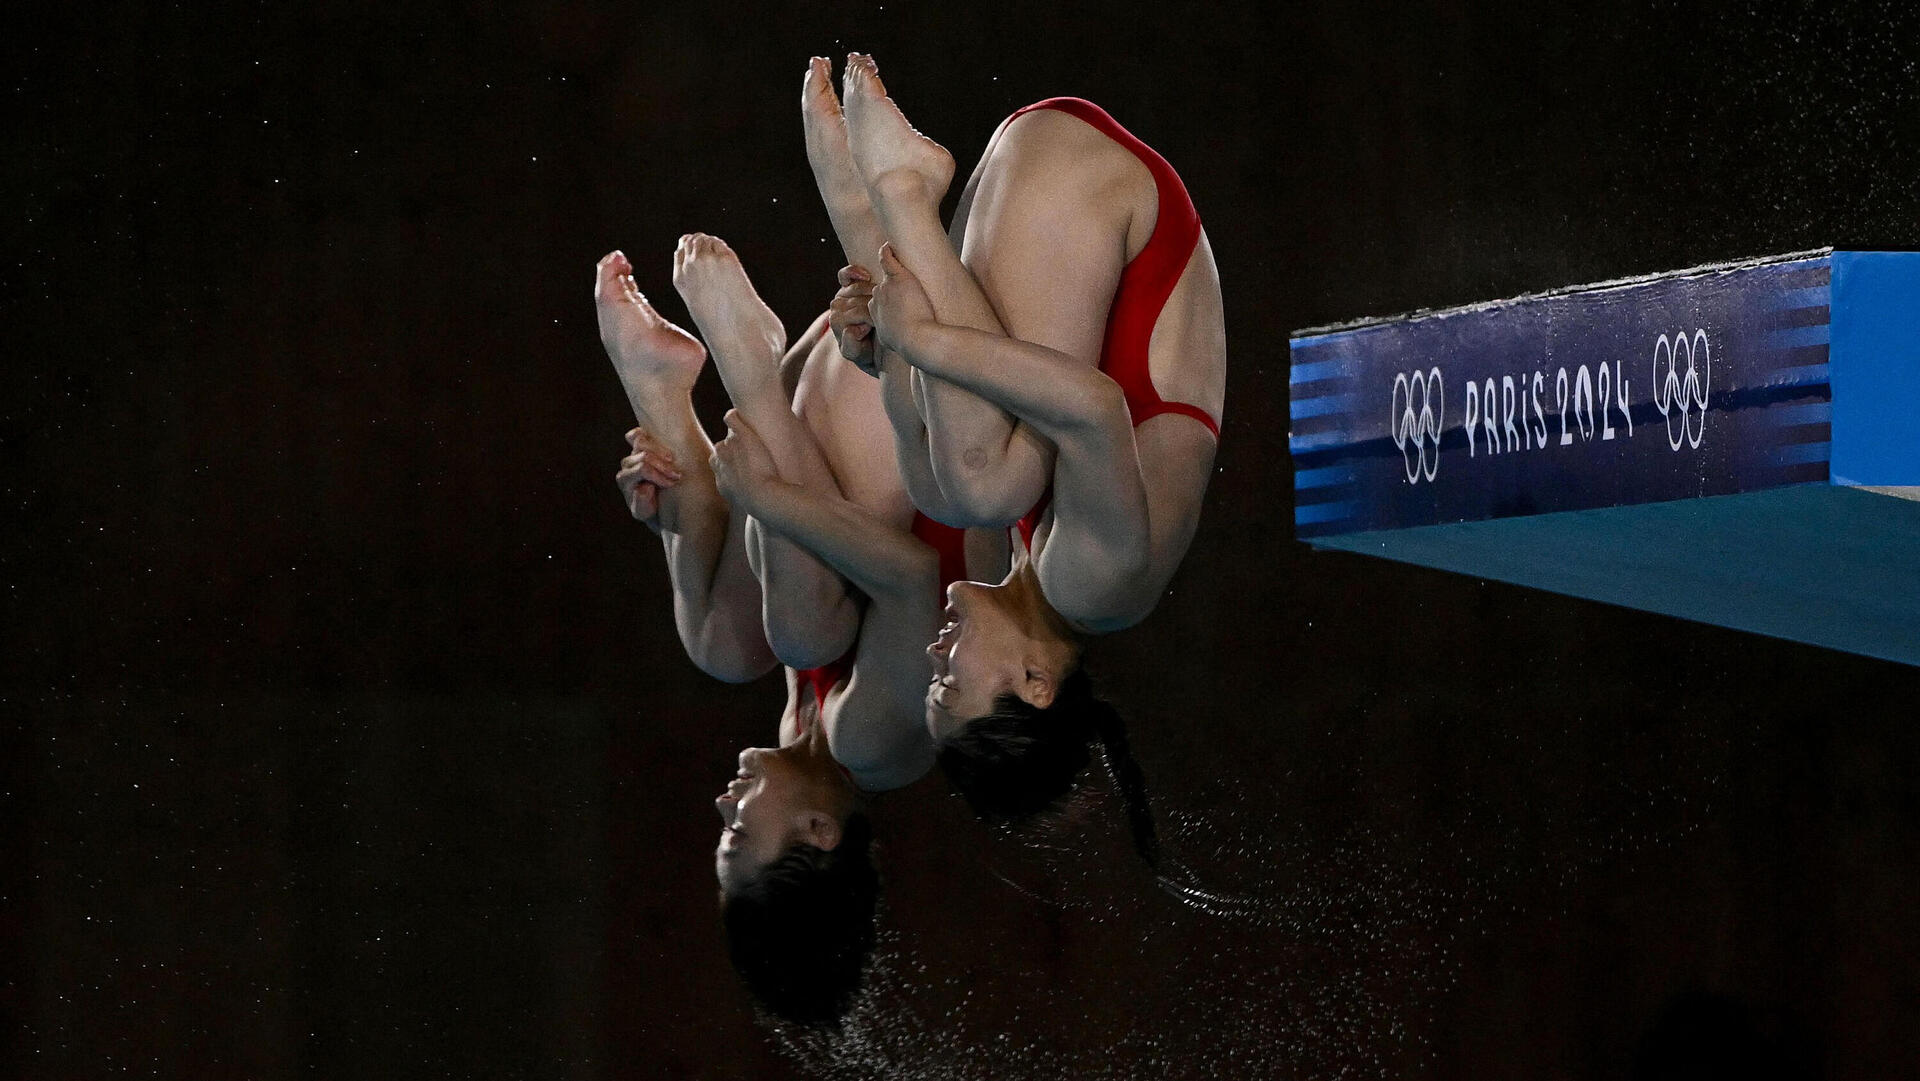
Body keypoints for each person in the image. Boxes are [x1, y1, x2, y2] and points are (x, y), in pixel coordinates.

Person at [804, 55, 1227, 861]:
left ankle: (882, 240)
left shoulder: (1026, 563)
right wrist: (923, 342)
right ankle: (895, 204)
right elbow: (1099, 410)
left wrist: (889, 352)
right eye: (951, 683)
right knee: (984, 480)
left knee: (942, 478)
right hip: (1100, 189)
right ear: (1036, 684)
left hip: (1036, 181)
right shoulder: (1098, 588)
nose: (934, 652)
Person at [594, 223, 971, 1024]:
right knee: (802, 635)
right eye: (739, 835)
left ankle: (666, 395)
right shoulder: (876, 745)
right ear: (817, 831)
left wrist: (668, 511)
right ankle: (749, 366)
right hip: (923, 425)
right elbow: (914, 581)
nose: (724, 807)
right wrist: (764, 500)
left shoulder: (804, 726)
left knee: (722, 649)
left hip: (823, 408)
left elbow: (758, 532)